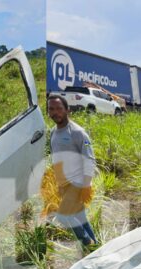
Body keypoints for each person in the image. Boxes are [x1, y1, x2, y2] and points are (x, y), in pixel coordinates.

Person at [46, 94, 98, 246]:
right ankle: (95, 246)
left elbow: (89, 159)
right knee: (80, 217)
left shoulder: (77, 132)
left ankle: (87, 242)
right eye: (51, 109)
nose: (55, 112)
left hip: (78, 183)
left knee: (63, 216)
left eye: (59, 109)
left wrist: (87, 185)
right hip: (65, 184)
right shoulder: (53, 132)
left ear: (68, 110)